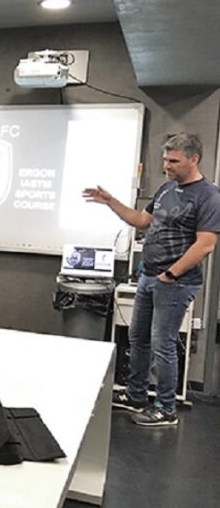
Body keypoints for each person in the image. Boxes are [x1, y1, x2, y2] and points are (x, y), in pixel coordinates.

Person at [83, 133, 220, 426]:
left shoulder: (209, 196)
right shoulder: (166, 188)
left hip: (176, 282)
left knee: (163, 344)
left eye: (174, 161)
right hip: (149, 276)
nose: (166, 165)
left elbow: (206, 245)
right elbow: (141, 221)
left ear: (194, 159)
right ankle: (136, 395)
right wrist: (110, 202)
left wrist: (170, 274)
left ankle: (166, 409)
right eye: (165, 159)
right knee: (138, 338)